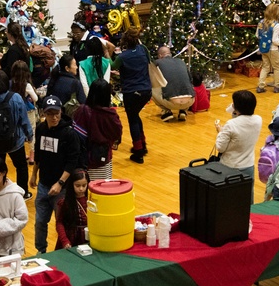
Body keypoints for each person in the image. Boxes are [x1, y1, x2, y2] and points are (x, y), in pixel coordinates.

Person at [30, 96, 81, 252]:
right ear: (44, 114)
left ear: (61, 111)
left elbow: (72, 162)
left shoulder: (69, 134)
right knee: (40, 222)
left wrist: (60, 183)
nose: (54, 117)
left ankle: (62, 251)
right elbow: (38, 153)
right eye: (50, 113)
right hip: (44, 184)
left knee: (62, 224)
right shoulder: (41, 128)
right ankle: (41, 251)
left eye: (56, 113)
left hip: (62, 189)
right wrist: (34, 174)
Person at [0, 69, 34, 199]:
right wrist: (29, 135)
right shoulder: (15, 98)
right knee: (21, 167)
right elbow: (24, 120)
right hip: (15, 141)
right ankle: (23, 193)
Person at [112, 27, 152, 163]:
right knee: (136, 115)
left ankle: (138, 151)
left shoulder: (122, 57)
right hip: (146, 90)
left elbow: (112, 65)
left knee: (132, 119)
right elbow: (149, 61)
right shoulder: (143, 49)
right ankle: (143, 144)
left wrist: (106, 52)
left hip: (131, 92)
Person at [72, 79, 123, 181]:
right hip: (104, 158)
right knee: (102, 189)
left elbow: (75, 135)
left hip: (84, 160)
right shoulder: (111, 114)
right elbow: (117, 133)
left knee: (83, 190)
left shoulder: (82, 110)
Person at [215, 90, 262, 200]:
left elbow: (220, 148)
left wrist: (220, 132)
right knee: (247, 199)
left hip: (230, 167)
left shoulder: (231, 125)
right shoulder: (258, 120)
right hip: (248, 166)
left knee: (229, 199)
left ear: (236, 107)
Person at [151, 45, 195, 121]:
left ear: (160, 55)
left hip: (171, 102)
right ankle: (183, 110)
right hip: (190, 101)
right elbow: (190, 79)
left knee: (151, 87)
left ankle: (166, 112)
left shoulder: (157, 63)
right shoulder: (181, 61)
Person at [55, 168, 90, 249]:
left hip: (89, 238)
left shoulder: (92, 199)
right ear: (71, 185)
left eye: (84, 185)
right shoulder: (64, 202)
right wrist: (65, 241)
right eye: (77, 185)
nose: (81, 189)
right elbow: (59, 223)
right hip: (71, 239)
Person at [256, 3, 279, 93]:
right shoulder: (276, 25)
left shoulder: (261, 22)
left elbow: (257, 35)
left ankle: (260, 86)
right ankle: (278, 86)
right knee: (277, 67)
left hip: (263, 48)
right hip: (273, 49)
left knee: (265, 67)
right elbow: (275, 40)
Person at [10, 60, 39, 129]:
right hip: (27, 111)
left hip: (13, 110)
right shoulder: (26, 85)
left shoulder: (10, 83)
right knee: (30, 130)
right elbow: (35, 98)